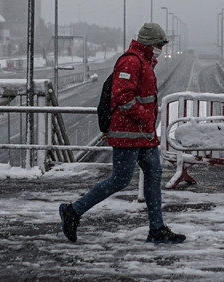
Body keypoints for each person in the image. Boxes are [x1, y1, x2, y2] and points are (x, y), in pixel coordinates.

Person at [59, 22, 186, 244]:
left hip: (143, 134)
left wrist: (147, 123)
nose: (161, 49)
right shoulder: (131, 61)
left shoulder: (145, 61)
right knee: (120, 179)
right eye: (159, 44)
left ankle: (156, 229)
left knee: (153, 175)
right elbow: (123, 96)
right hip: (129, 133)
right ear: (149, 43)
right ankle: (73, 211)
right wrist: (144, 117)